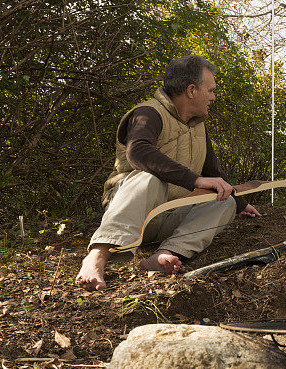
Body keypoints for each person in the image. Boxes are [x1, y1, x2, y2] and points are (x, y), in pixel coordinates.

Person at [75, 55, 260, 291]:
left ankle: (164, 254)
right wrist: (195, 180)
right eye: (210, 90)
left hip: (169, 217)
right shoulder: (148, 113)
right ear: (191, 90)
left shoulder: (199, 125)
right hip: (134, 214)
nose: (213, 97)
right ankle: (96, 258)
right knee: (149, 178)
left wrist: (241, 203)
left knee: (224, 203)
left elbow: (213, 172)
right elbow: (138, 152)